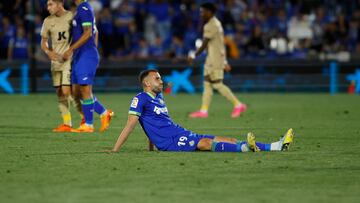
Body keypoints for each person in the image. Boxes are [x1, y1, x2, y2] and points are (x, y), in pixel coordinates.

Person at [106, 69, 294, 153]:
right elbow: (131, 124)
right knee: (204, 144)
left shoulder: (159, 98)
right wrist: (115, 150)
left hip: (179, 133)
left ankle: (275, 146)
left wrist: (151, 148)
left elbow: (155, 124)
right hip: (171, 142)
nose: (161, 81)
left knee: (226, 139)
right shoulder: (140, 99)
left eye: (161, 78)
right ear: (147, 83)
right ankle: (246, 149)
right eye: (157, 78)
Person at [188, 3, 246, 119]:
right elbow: (220, 45)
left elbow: (204, 44)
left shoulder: (210, 25)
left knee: (217, 84)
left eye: (203, 12)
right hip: (213, 58)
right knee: (207, 84)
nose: (201, 14)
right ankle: (204, 111)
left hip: (214, 60)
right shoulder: (216, 23)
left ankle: (238, 104)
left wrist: (194, 55)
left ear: (210, 12)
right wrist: (224, 62)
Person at [62, 0, 113, 133]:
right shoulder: (80, 9)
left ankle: (88, 125)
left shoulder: (84, 8)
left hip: (85, 54)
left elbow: (88, 33)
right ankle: (104, 113)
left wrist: (72, 50)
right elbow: (95, 32)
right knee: (76, 91)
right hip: (81, 55)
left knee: (85, 90)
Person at [40, 0, 83, 132]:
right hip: (55, 62)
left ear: (59, 4)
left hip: (69, 60)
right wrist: (48, 52)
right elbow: (43, 41)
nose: (48, 8)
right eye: (47, 5)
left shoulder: (72, 17)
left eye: (50, 4)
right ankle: (67, 123)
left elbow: (81, 36)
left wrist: (73, 51)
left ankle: (85, 117)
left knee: (66, 90)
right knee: (59, 92)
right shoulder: (47, 21)